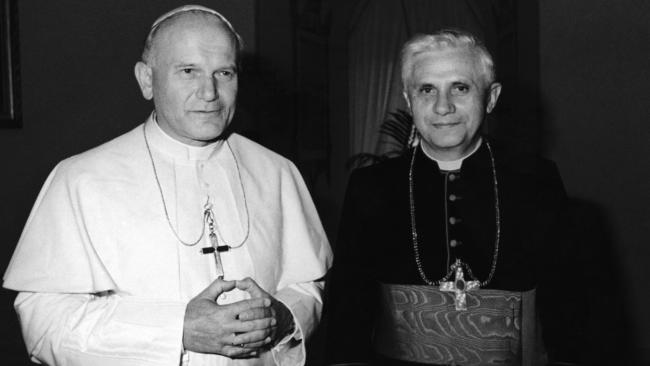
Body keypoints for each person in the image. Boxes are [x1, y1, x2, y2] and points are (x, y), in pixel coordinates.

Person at [3, 5, 331, 366]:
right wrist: (177, 330)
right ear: (147, 79)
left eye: (224, 72)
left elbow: (306, 284)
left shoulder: (277, 171)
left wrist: (283, 317)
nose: (210, 92)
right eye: (188, 71)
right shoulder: (80, 179)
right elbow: (44, 323)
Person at [325, 30, 571, 366]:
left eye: (460, 87)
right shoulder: (371, 186)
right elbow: (347, 311)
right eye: (427, 90)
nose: (443, 106)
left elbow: (571, 307)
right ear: (409, 101)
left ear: (491, 97)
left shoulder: (536, 181)